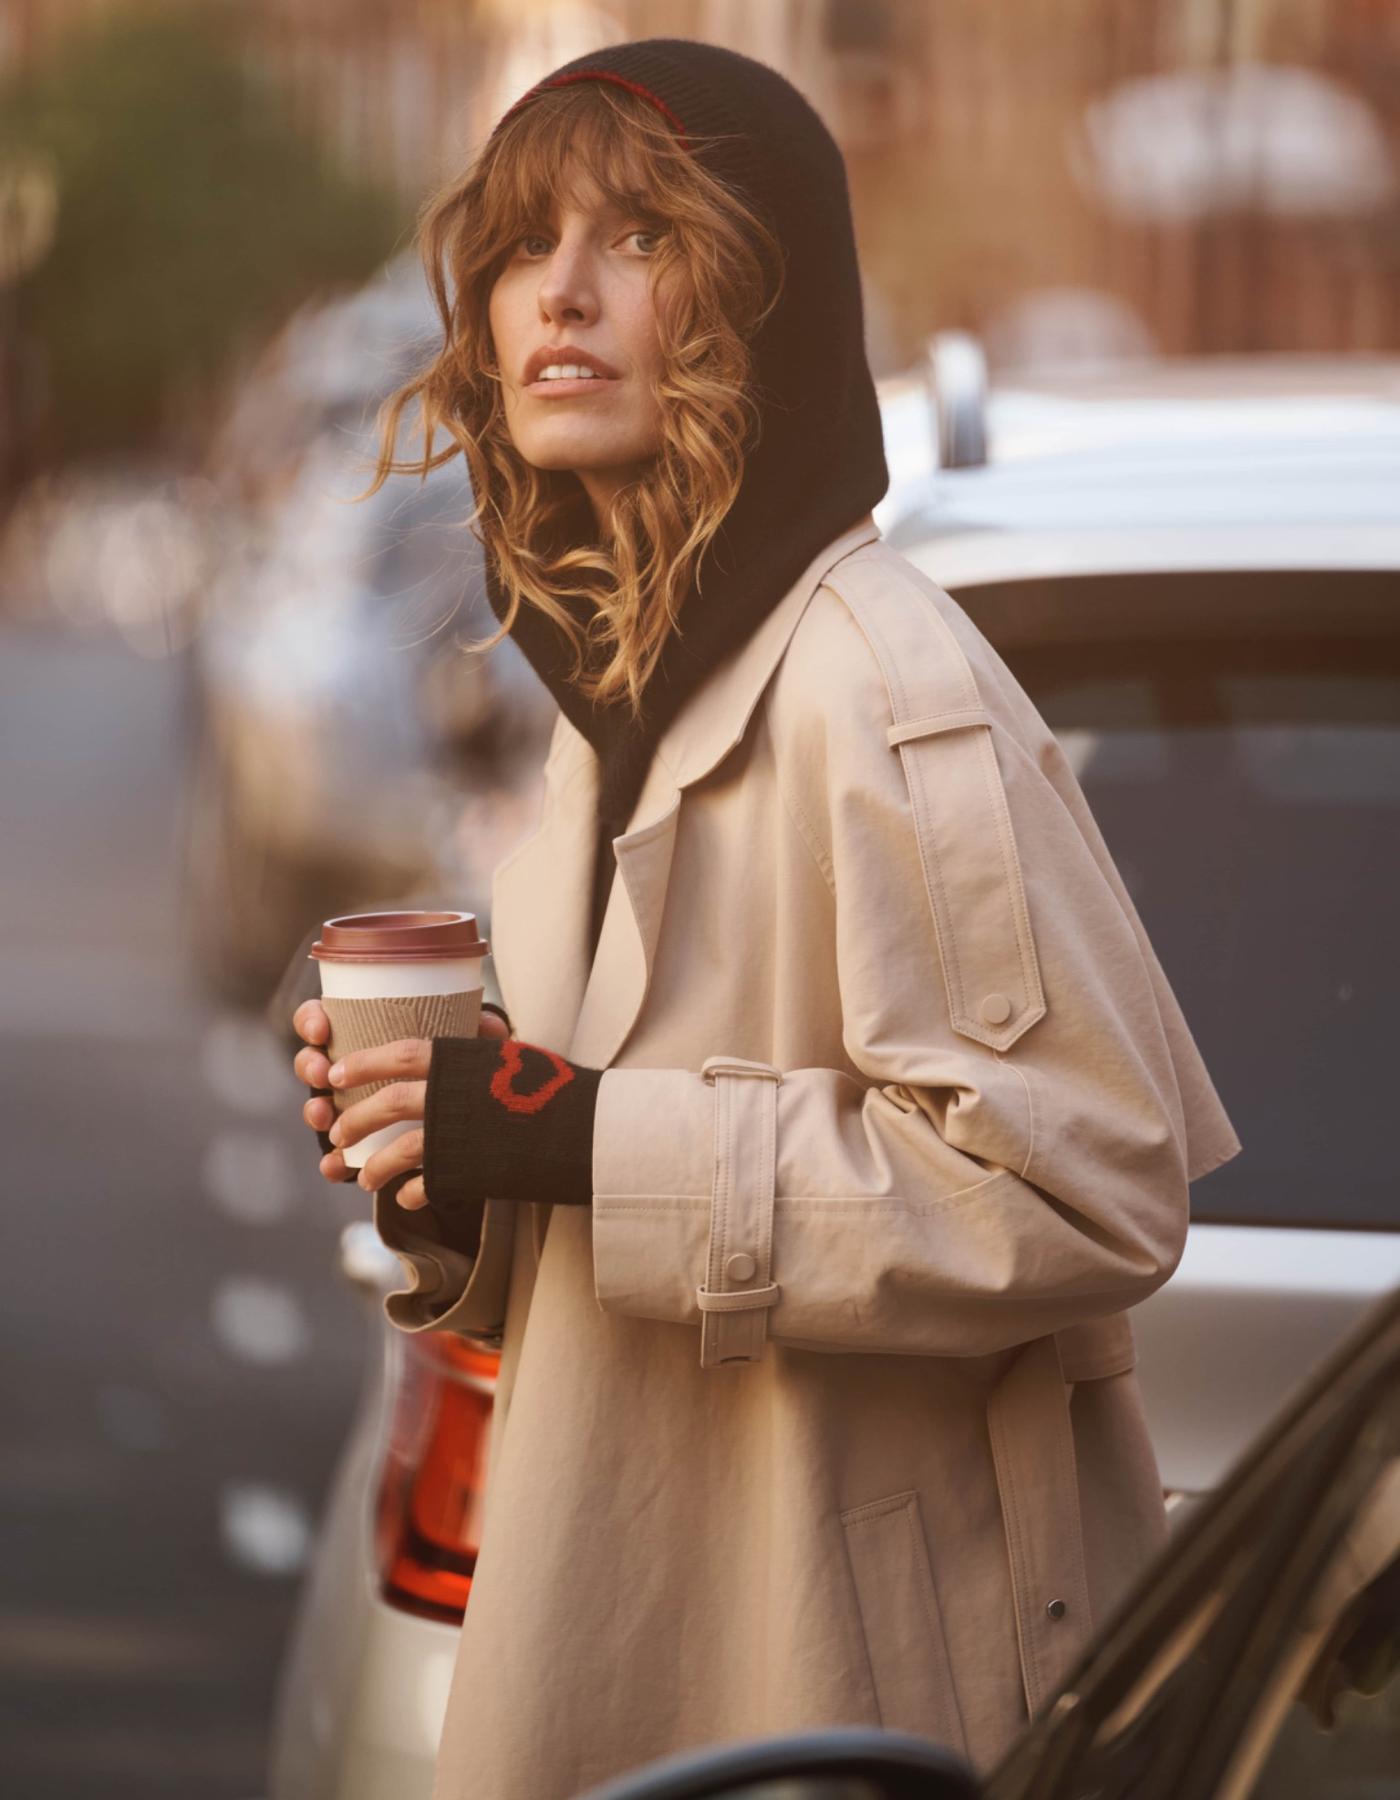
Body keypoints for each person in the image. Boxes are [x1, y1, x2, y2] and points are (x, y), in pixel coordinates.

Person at [291, 37, 1243, 1800]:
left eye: (640, 239)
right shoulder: (620, 696)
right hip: (660, 1660)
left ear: (760, 302)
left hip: (845, 1706)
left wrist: (581, 1133)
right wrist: (461, 1164)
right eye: (519, 245)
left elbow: (1080, 1177)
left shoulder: (874, 683)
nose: (559, 295)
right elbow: (634, 1237)